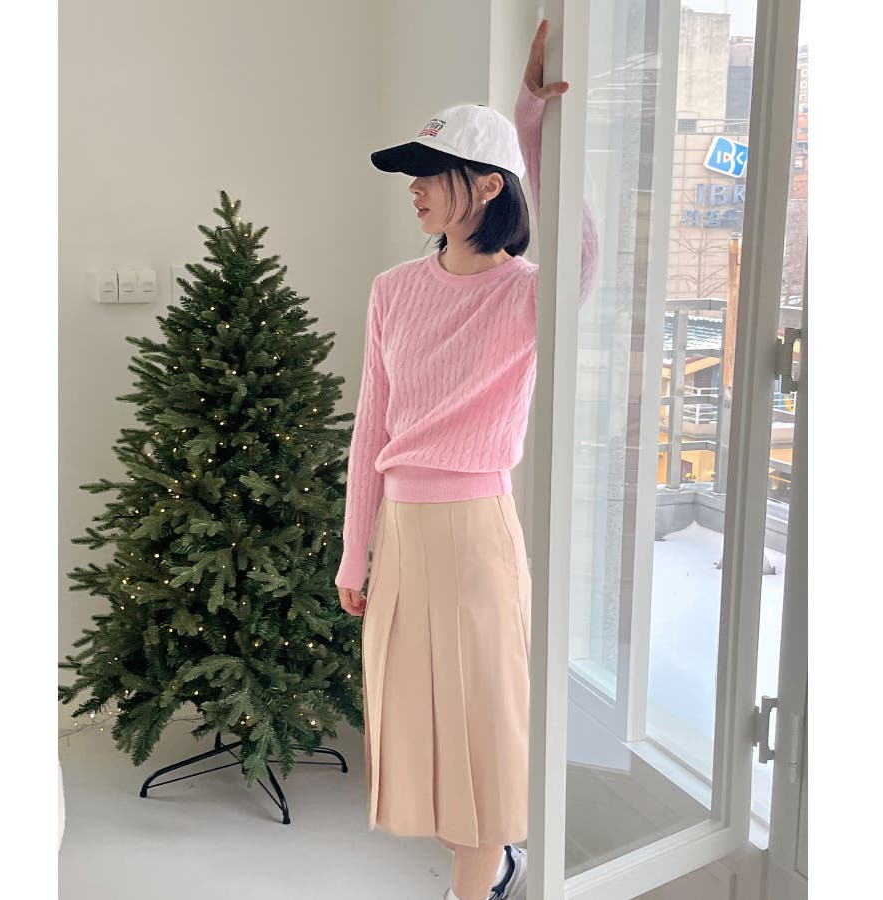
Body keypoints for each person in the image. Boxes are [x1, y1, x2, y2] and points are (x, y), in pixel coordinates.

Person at [335, 19, 598, 900]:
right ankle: (492, 863)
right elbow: (370, 429)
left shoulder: (527, 296)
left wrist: (530, 124)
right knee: (419, 720)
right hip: (403, 531)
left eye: (429, 172)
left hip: (479, 530)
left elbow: (583, 255)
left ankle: (474, 884)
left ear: (486, 185)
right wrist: (355, 551)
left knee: (483, 723)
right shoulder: (392, 291)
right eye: (410, 174)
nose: (413, 189)